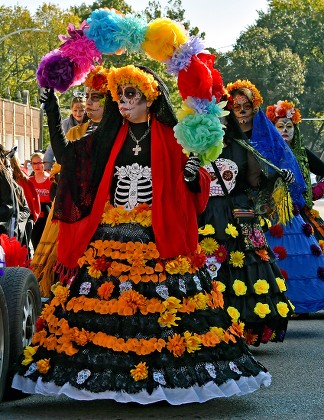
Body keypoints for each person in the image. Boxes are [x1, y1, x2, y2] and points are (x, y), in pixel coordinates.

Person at [13, 65, 271, 403]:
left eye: (131, 94)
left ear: (150, 98)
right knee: (100, 309)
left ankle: (162, 377)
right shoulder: (109, 134)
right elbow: (68, 158)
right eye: (118, 95)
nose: (122, 101)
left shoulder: (172, 134)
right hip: (110, 235)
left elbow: (194, 188)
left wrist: (193, 176)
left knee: (165, 313)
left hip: (158, 236)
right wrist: (49, 109)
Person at [198, 106, 294, 346]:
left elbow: (256, 181)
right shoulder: (193, 148)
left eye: (219, 115)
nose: (216, 121)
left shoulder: (242, 147)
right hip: (203, 215)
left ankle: (244, 327)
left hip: (239, 215)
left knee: (248, 265)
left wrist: (277, 178)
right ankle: (206, 327)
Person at [31, 66, 106, 298]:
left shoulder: (122, 132)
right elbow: (62, 156)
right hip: (71, 209)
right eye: (88, 96)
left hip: (106, 216)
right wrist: (52, 109)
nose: (90, 102)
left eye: (97, 97)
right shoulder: (76, 133)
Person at [264, 100, 324, 314]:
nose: (285, 131)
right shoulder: (264, 151)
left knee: (303, 259)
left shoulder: (303, 154)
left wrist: (314, 192)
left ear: (295, 129)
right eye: (280, 126)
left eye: (289, 126)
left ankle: (301, 303)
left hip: (299, 215)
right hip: (269, 213)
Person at [43, 93, 88, 171]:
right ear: (71, 110)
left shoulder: (91, 124)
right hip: (68, 164)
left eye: (81, 111)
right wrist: (47, 165)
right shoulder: (65, 124)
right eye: (75, 110)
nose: (78, 113)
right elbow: (54, 144)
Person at [9, 152, 41, 256]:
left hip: (24, 216)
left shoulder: (24, 179)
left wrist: (33, 216)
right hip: (17, 217)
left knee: (24, 248)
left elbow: (34, 199)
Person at [29, 152, 52, 251]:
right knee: (36, 244)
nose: (37, 166)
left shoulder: (51, 180)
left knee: (46, 245)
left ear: (44, 163)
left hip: (47, 217)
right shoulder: (29, 181)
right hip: (34, 217)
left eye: (40, 162)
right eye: (34, 163)